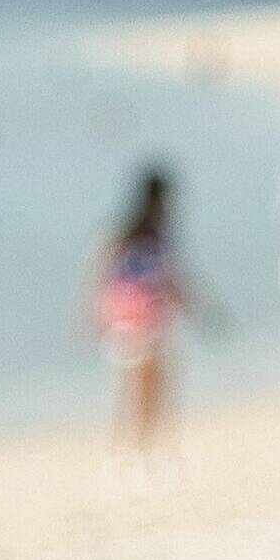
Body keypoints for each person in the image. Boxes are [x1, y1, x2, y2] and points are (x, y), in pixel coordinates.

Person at [82, 163, 204, 456]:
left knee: (143, 389)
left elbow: (100, 279)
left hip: (145, 321)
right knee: (139, 389)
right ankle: (133, 449)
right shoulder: (136, 239)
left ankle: (140, 448)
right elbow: (100, 279)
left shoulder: (135, 238)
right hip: (134, 321)